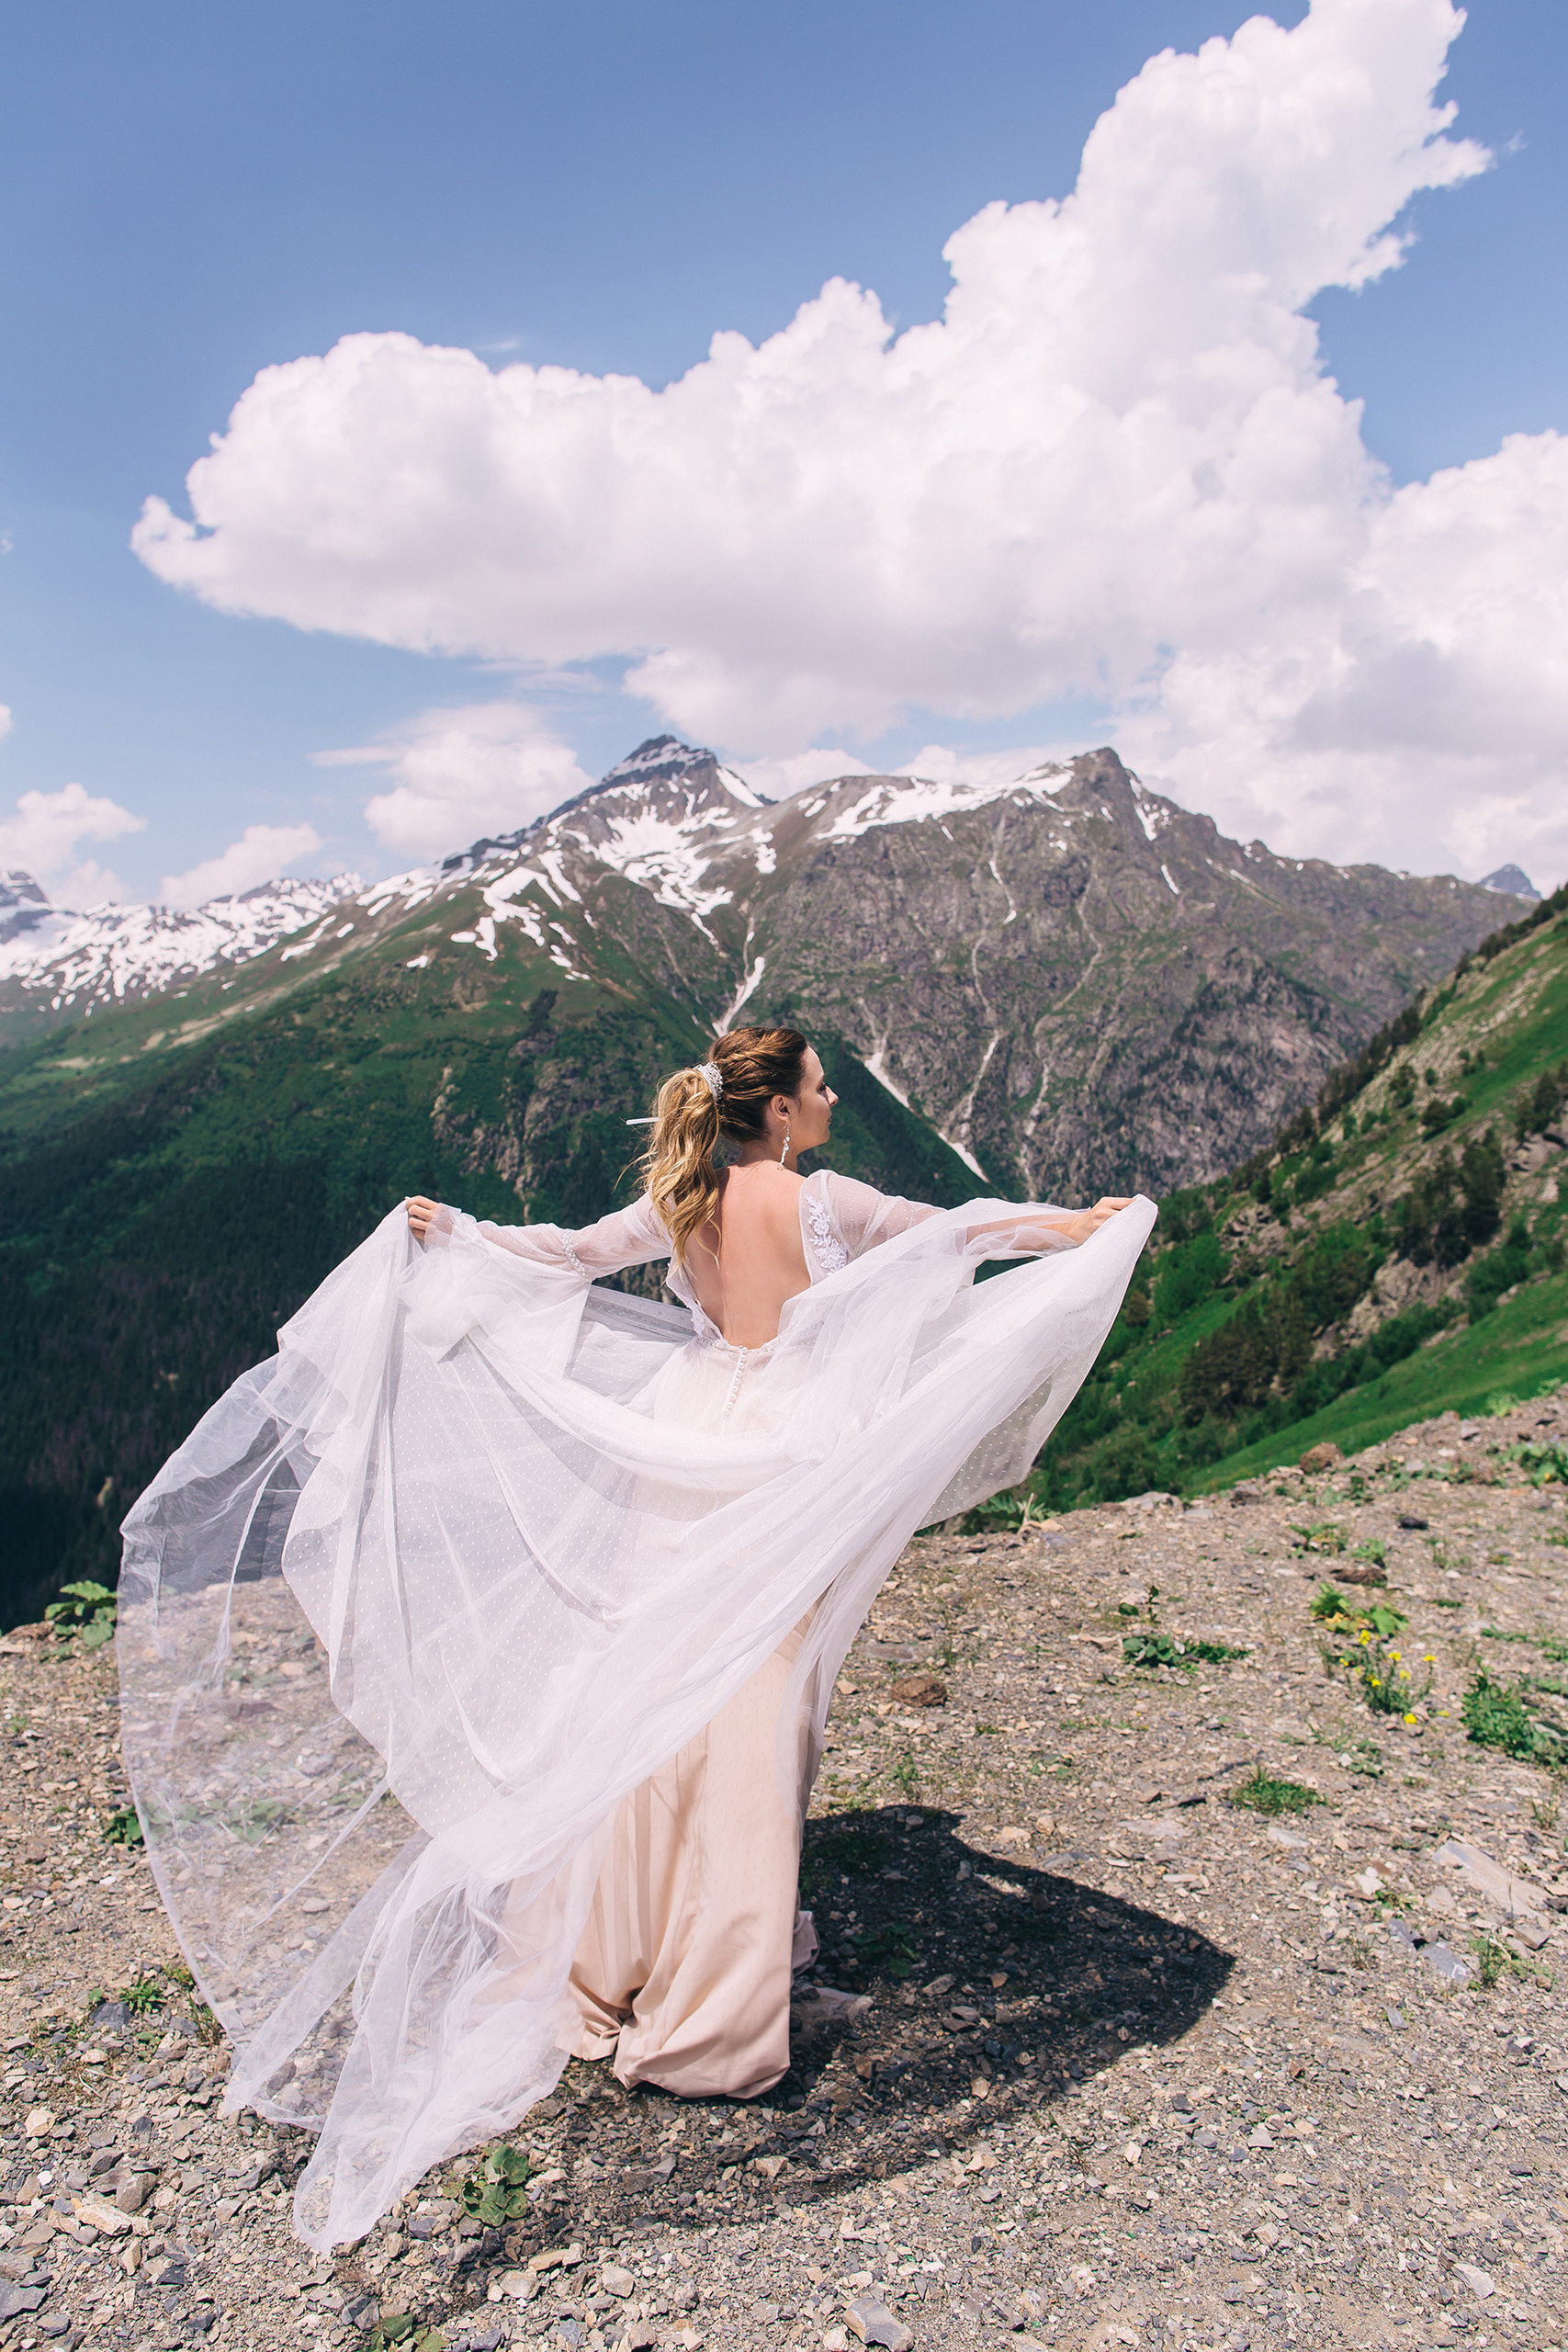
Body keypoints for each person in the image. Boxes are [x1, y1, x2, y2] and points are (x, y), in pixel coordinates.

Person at [117, 1024, 1154, 2252]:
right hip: (778, 1461)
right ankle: (711, 2019)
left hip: (681, 1444)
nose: (830, 1098)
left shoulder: (683, 1197)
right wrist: (1082, 1227)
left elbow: (558, 1258)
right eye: (819, 1085)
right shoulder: (829, 1201)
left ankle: (604, 1972)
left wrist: (455, 1232)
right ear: (777, 1112)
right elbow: (965, 1231)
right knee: (757, 1734)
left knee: (647, 1713)